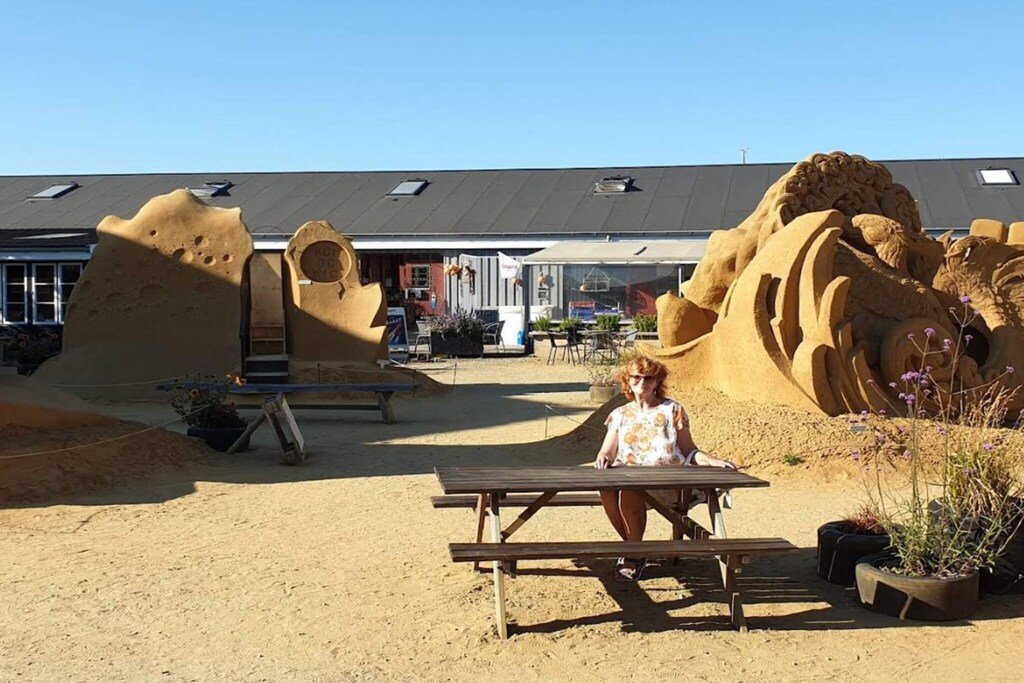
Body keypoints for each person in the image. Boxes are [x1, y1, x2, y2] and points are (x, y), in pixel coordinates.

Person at [594, 355, 735, 581]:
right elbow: (607, 451)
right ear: (627, 381)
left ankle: (633, 555)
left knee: (629, 490)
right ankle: (635, 548)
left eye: (649, 378)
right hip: (630, 478)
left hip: (667, 482)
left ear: (657, 381)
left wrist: (712, 460)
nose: (642, 382)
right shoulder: (619, 414)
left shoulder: (672, 409)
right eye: (636, 377)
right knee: (606, 489)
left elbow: (689, 449)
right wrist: (603, 457)